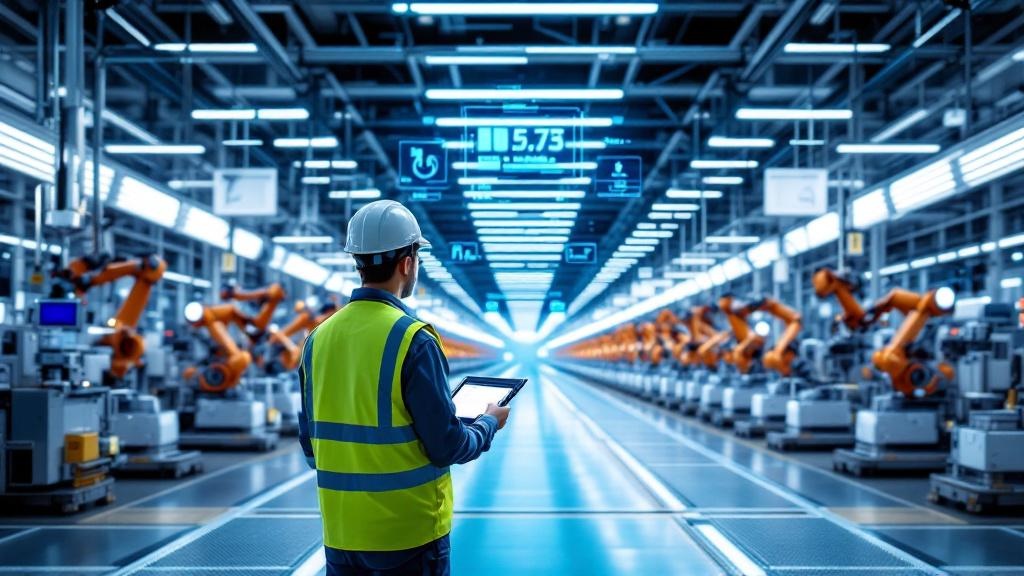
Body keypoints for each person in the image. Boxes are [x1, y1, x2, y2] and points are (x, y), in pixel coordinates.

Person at [298, 199, 510, 576]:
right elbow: (448, 446)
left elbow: (312, 447)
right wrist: (488, 423)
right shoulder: (414, 340)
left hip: (342, 535)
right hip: (408, 536)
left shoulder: (317, 340)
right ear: (407, 262)